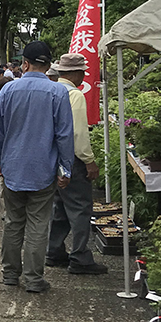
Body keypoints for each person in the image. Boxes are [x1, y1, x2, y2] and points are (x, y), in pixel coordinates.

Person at [0, 41, 74, 293]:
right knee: (39, 224)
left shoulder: (7, 91)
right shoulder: (58, 92)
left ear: (25, 64)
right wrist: (66, 168)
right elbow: (64, 135)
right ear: (49, 65)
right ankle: (34, 278)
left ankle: (10, 273)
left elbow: (0, 130)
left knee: (13, 222)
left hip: (13, 166)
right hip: (43, 169)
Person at [46, 53, 108, 275]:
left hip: (51, 159)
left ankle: (53, 251)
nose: (84, 75)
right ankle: (80, 256)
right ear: (76, 73)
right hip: (71, 160)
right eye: (82, 71)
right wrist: (89, 161)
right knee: (81, 208)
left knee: (59, 207)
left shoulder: (50, 90)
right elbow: (78, 133)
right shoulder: (74, 95)